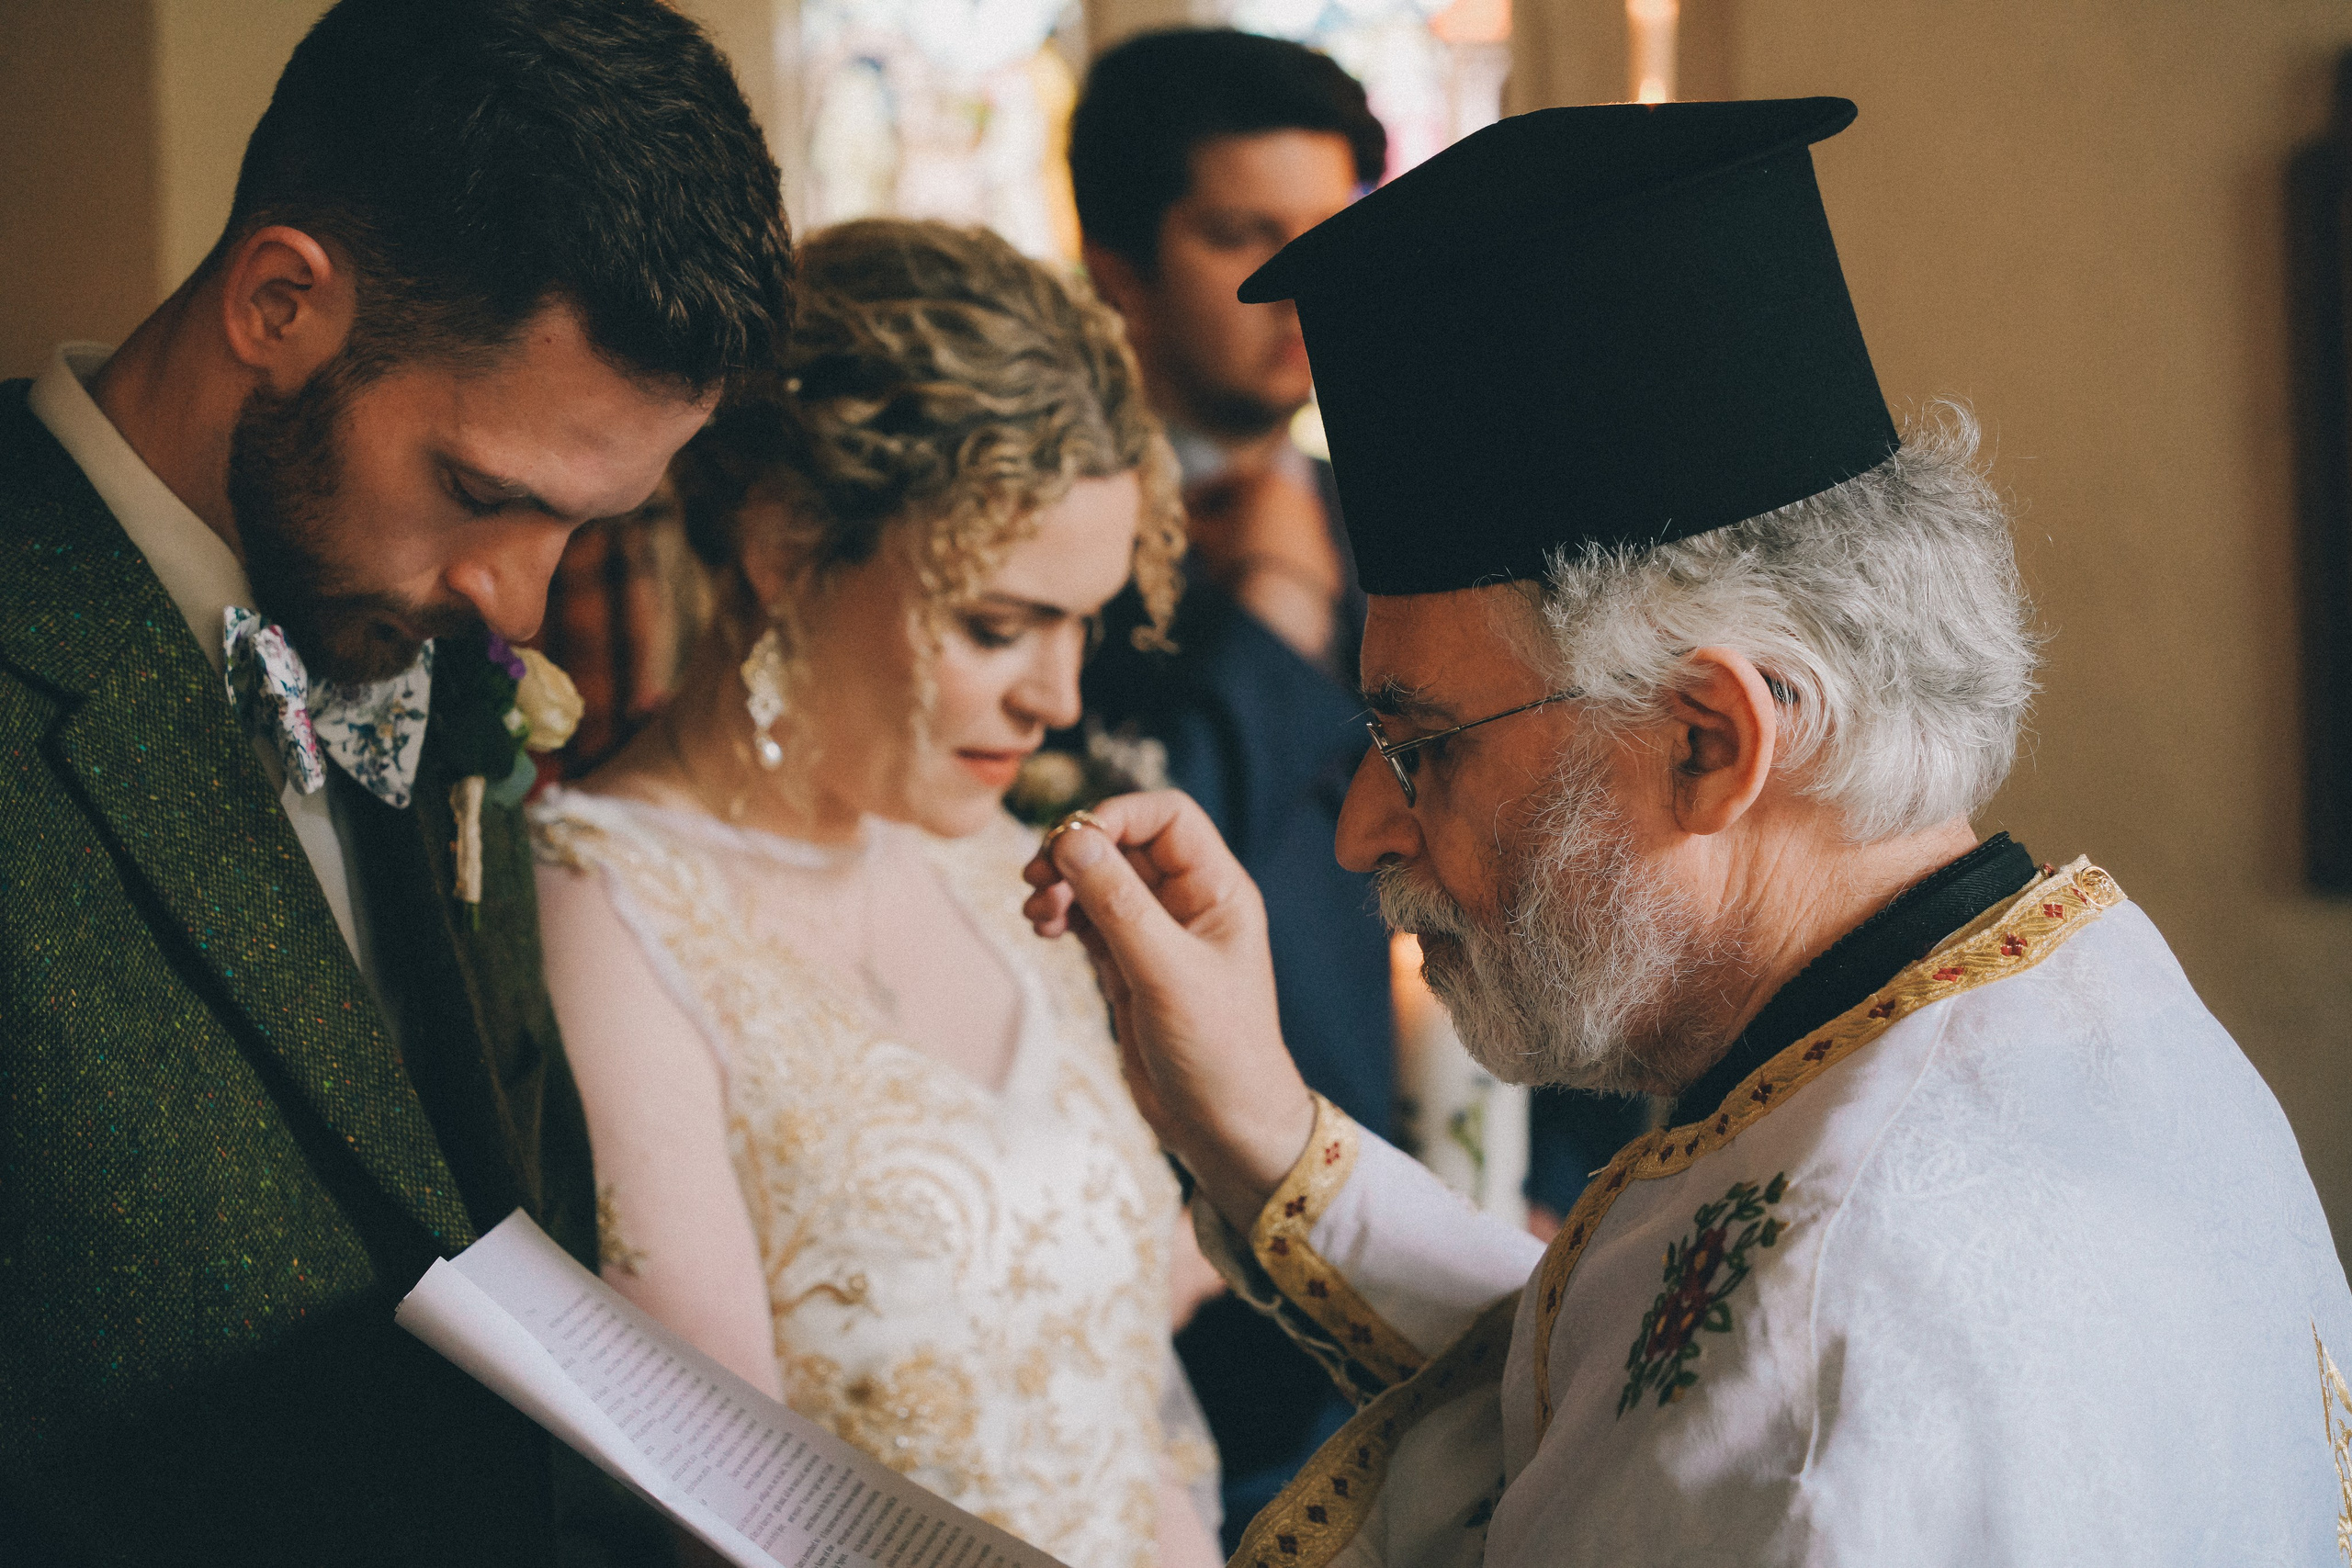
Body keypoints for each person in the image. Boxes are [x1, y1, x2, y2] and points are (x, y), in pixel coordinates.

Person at [1024, 98, 2352, 1565]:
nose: (1358, 831)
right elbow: (1619, 1368)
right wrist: (1261, 1136)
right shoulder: (2075, 1006)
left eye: (1414, 746)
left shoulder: (1838, 1354)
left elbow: (1730, 1394)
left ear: (1708, 741)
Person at [0, 2, 791, 1562]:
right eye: (484, 494)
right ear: (281, 301)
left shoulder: (419, 658)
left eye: (590, 526)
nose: (520, 605)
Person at [529, 220, 1223, 1568]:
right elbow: (729, 1497)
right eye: (993, 625)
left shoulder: (1002, 869)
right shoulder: (609, 908)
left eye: (1079, 622)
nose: (1058, 696)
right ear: (787, 548)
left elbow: (1124, 1414)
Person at [1065, 29, 1396, 1537]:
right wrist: (1262, 620)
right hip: (1177, 1316)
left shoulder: (1385, 523)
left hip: (1412, 1246)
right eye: (1243, 237)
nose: (1298, 290)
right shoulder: (1039, 569)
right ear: (1116, 262)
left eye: (1327, 238)